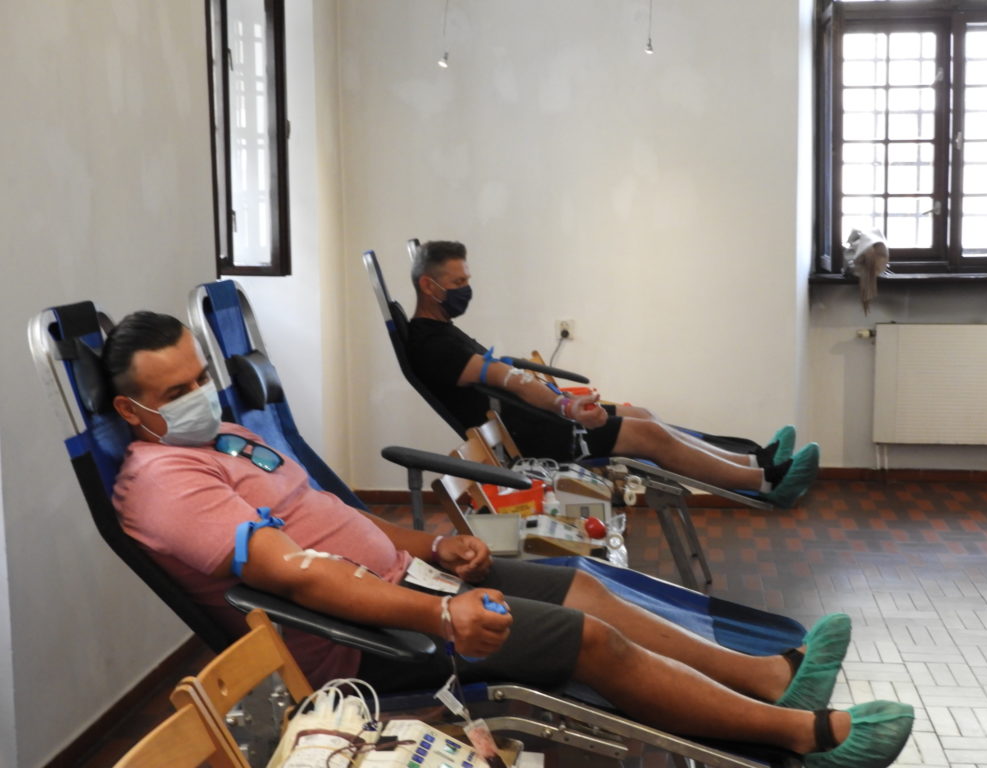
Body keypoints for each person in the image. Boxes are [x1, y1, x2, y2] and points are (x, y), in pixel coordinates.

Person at [103, 310, 913, 767]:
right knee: (589, 639)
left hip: (407, 583)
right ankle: (800, 738)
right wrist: (438, 614)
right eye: (175, 393)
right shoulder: (164, 482)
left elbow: (334, 518)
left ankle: (770, 677)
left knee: (583, 587)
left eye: (201, 379)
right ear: (130, 412)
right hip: (366, 641)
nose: (200, 397)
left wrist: (429, 548)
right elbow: (302, 574)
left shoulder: (230, 439)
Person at [407, 241, 819, 508]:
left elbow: (506, 378)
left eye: (467, 279)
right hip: (530, 440)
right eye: (457, 281)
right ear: (429, 285)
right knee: (649, 436)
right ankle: (765, 483)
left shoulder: (442, 331)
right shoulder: (432, 344)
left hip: (531, 424)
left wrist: (562, 403)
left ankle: (753, 460)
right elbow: (509, 379)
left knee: (641, 415)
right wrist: (566, 406)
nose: (466, 288)